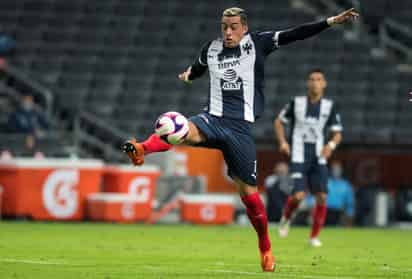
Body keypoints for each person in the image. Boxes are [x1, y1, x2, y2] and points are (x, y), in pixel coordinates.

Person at [123, 7, 358, 271]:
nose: (228, 32)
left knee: (250, 197)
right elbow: (199, 67)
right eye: (224, 26)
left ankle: (266, 249)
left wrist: (330, 22)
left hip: (240, 130)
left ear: (244, 27)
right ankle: (142, 147)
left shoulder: (258, 43)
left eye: (233, 26)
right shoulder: (210, 49)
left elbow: (296, 34)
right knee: (176, 128)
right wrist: (189, 74)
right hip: (211, 119)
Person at [274, 68, 343, 247]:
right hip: (298, 155)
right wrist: (282, 142)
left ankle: (313, 237)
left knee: (321, 196)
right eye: (312, 79)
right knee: (298, 196)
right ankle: (286, 218)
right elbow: (279, 121)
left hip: (318, 157)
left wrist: (331, 145)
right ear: (307, 83)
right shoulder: (296, 103)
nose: (315, 82)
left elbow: (337, 133)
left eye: (319, 79)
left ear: (324, 84)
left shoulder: (329, 106)